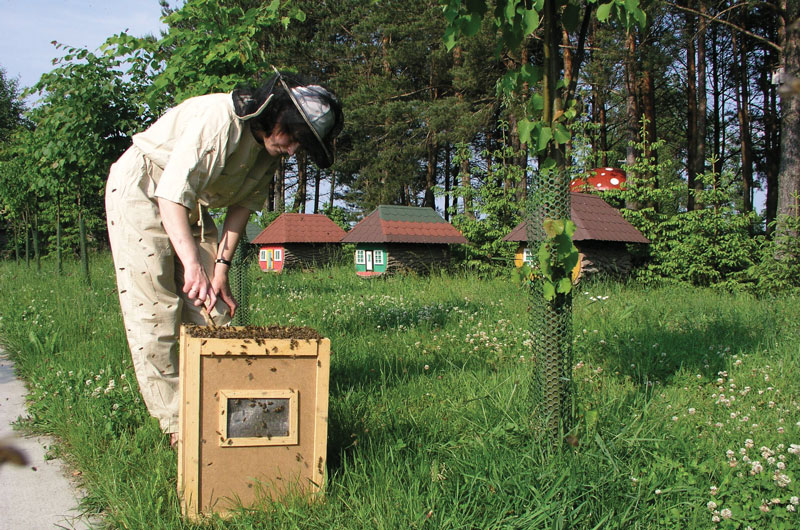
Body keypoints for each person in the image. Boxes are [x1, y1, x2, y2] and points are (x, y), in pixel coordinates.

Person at [105, 70, 343, 445]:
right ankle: (179, 428)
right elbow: (171, 194)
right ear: (276, 115)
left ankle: (225, 409)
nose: (293, 149)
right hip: (145, 188)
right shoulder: (221, 122)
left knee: (212, 309)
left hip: (188, 204)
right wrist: (194, 266)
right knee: (155, 310)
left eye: (301, 143)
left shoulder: (270, 150)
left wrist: (219, 271)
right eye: (293, 137)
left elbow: (241, 208)